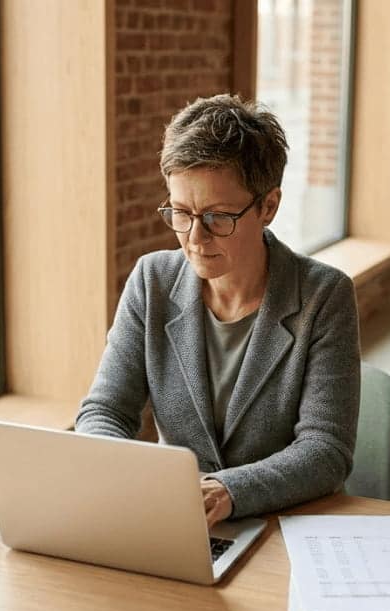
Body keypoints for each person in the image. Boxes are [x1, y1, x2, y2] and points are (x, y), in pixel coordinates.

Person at [76, 94, 361, 527]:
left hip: (282, 522)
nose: (195, 238)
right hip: (175, 517)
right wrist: (122, 474)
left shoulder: (325, 296)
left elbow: (325, 450)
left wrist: (229, 490)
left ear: (268, 206)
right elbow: (105, 412)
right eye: (181, 212)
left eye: (218, 217)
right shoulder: (152, 281)